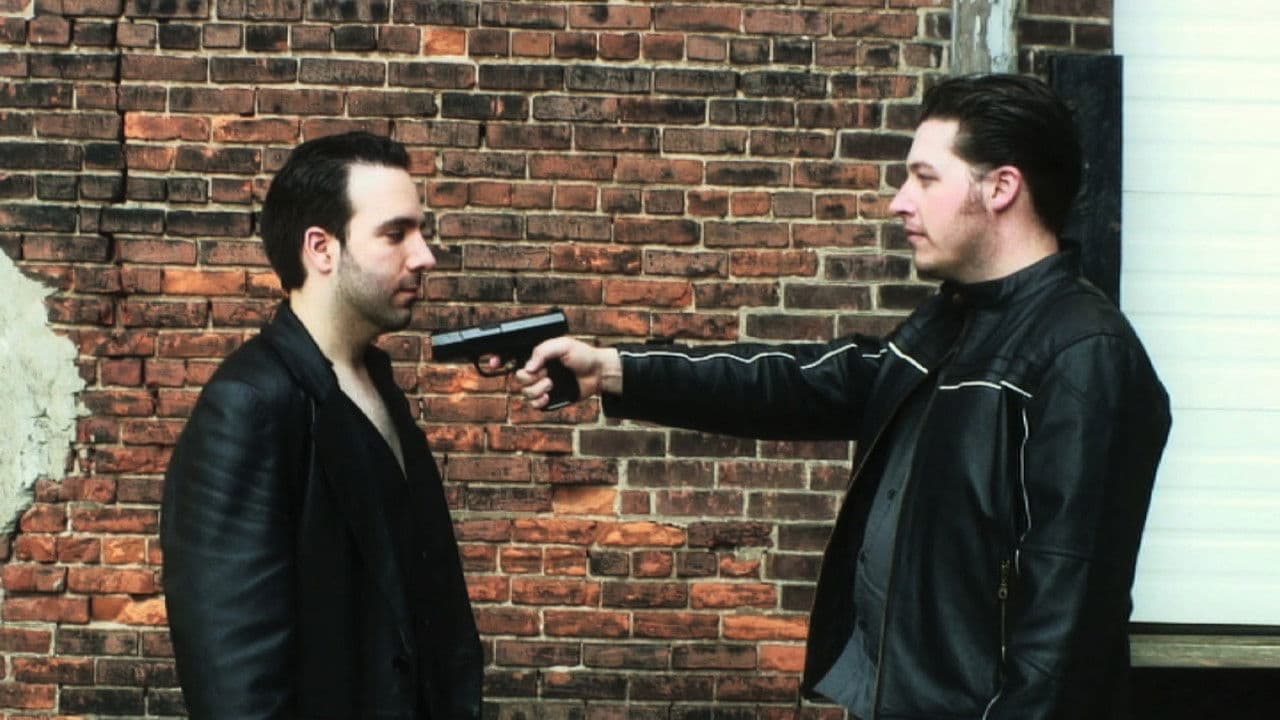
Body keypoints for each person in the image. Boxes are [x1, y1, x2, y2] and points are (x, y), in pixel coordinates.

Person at [514, 75, 1170, 720]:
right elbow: (800, 381)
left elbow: (1066, 628)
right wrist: (610, 369)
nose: (899, 202)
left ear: (1001, 188)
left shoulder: (1085, 355)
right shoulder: (953, 321)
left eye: (925, 178)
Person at [161, 132, 482, 719]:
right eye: (396, 234)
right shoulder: (248, 406)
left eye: (420, 231)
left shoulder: (375, 382)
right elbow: (236, 686)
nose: (424, 256)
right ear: (321, 248)